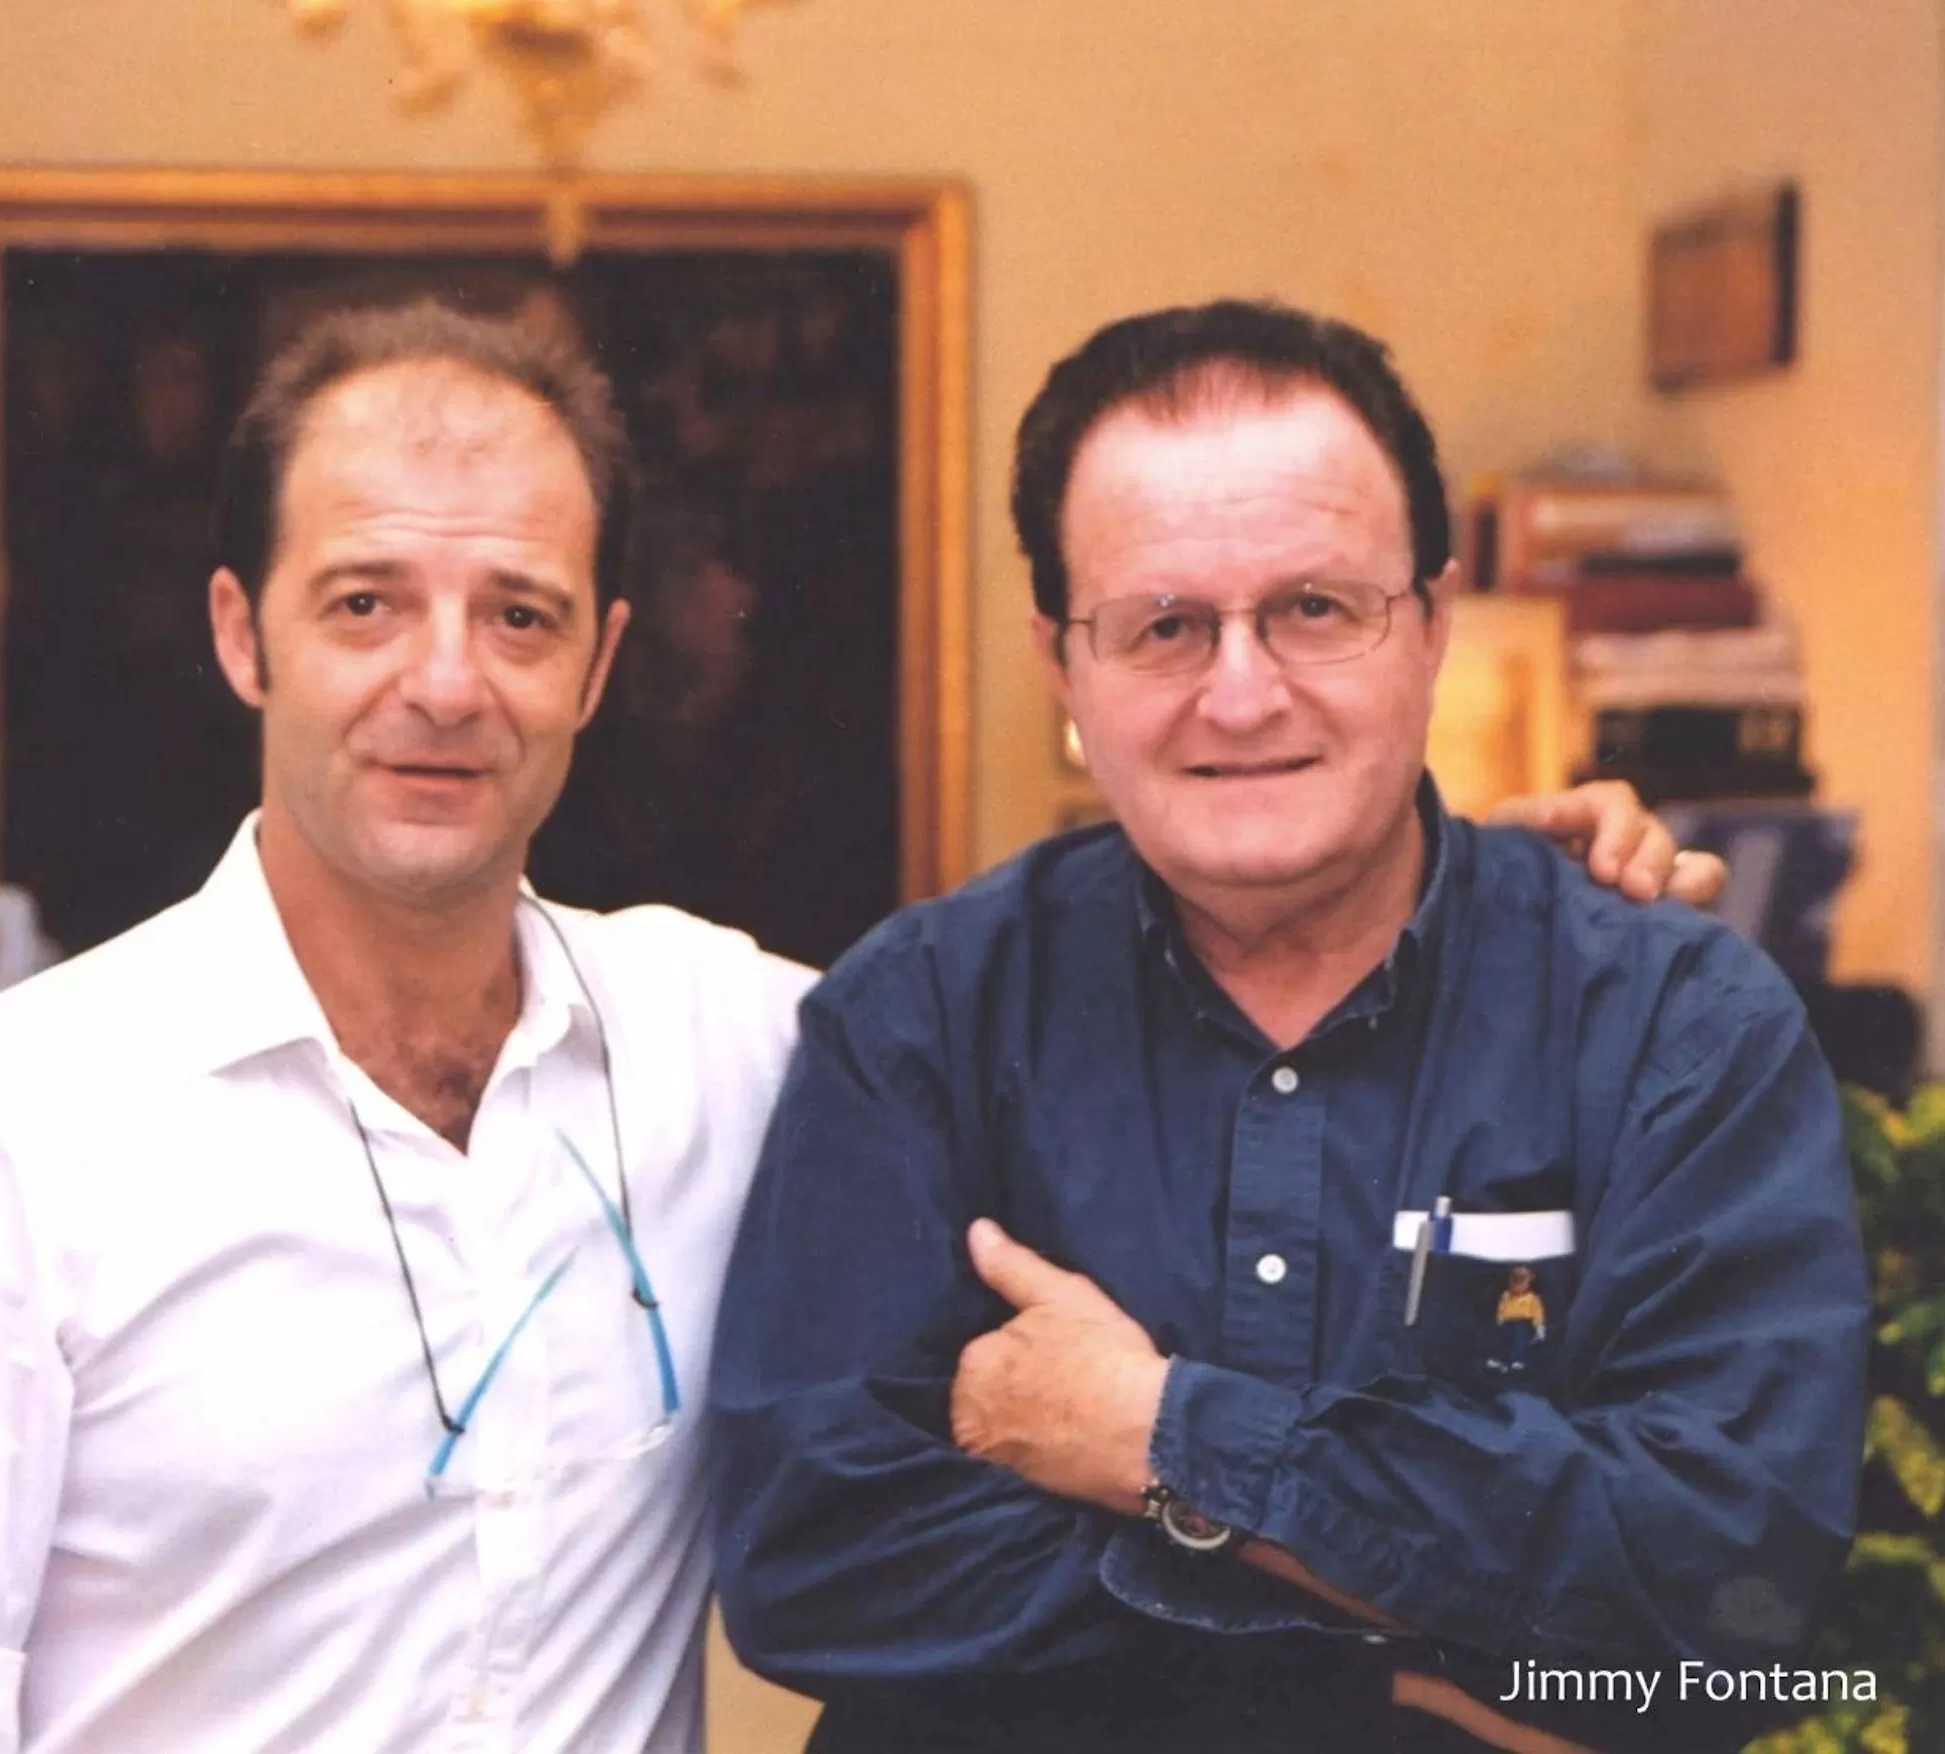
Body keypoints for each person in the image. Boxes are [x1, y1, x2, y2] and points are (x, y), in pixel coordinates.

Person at [0, 298, 1723, 1754]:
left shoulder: (739, 1039)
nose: (444, 681)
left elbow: (1133, 986)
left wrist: (1476, 890)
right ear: (239, 634)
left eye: (517, 615)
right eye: (364, 604)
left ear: (600, 660)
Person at [709, 300, 1867, 1754]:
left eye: (1314, 608)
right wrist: (1400, 1657)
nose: (1241, 693)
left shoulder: (1666, 1021)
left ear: (1432, 625)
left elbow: (1729, 1590)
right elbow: (815, 1563)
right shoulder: (920, 1015)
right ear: (1063, 666)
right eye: (1164, 625)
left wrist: (1147, 1436)